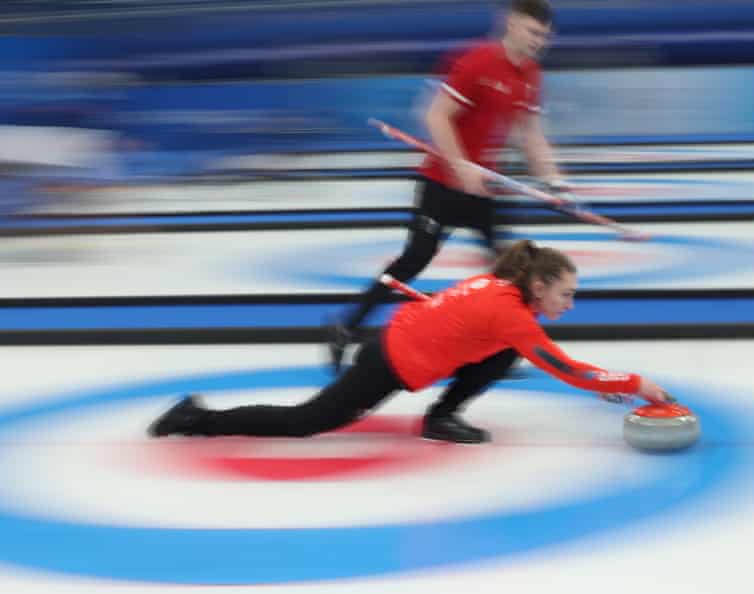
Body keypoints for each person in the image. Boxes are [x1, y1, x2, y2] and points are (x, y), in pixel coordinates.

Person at [149, 240, 672, 444]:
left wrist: (609, 386)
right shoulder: (511, 311)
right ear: (539, 286)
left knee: (510, 349)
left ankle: (441, 416)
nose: (571, 304)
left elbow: (547, 356)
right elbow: (567, 369)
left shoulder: (507, 291)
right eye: (567, 294)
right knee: (307, 422)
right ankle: (195, 419)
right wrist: (636, 383)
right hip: (390, 360)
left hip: (400, 342)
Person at [326, 0, 567, 373]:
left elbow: (529, 133)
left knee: (509, 271)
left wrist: (552, 179)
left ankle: (502, 348)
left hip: (482, 189)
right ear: (512, 24)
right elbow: (435, 115)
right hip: (441, 185)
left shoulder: (530, 74)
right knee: (414, 260)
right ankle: (346, 327)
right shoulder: (476, 62)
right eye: (534, 32)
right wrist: (459, 166)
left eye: (545, 36)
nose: (539, 41)